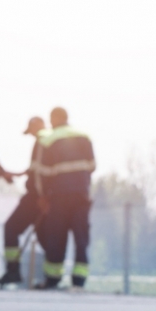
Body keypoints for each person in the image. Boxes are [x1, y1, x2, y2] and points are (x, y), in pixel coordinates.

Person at [34, 107, 96, 289]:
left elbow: (42, 173)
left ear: (53, 119)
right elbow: (92, 166)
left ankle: (53, 278)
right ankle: (79, 279)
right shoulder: (84, 136)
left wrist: (43, 196)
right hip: (81, 195)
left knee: (56, 237)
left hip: (59, 197)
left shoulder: (47, 140)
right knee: (81, 237)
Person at [0, 116, 46, 286]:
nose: (31, 135)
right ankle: (50, 278)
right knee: (45, 236)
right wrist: (12, 174)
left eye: (31, 131)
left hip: (36, 197)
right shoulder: (42, 143)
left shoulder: (43, 142)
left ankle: (13, 271)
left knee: (11, 228)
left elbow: (40, 174)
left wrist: (42, 196)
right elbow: (32, 171)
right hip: (40, 196)